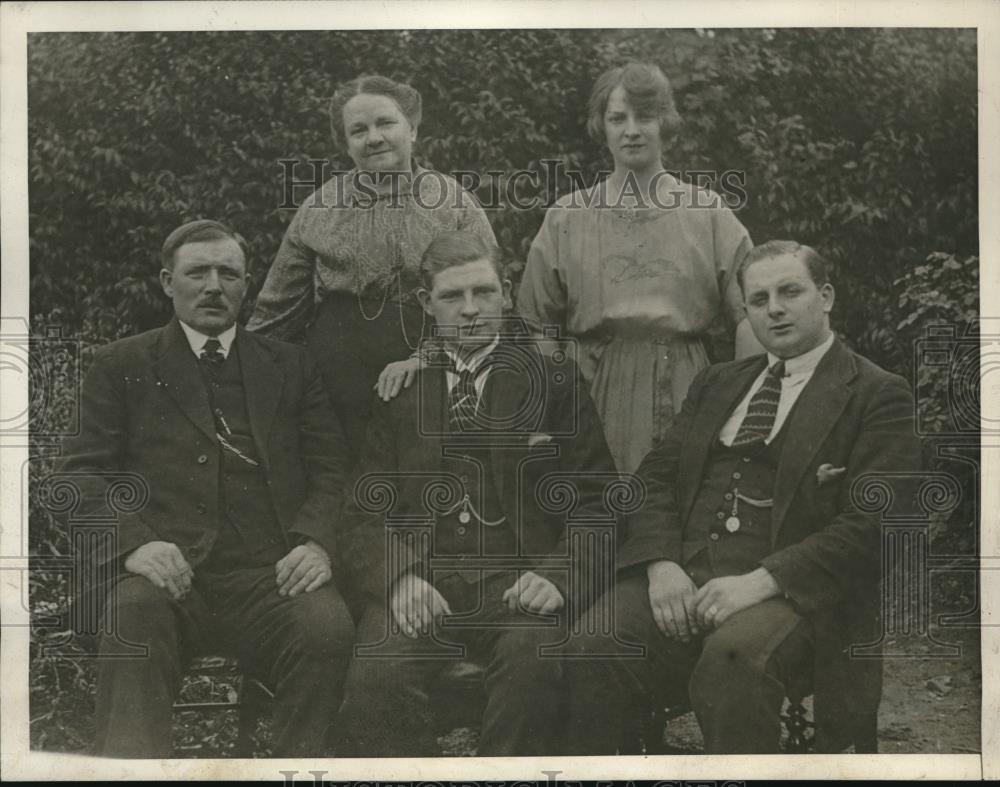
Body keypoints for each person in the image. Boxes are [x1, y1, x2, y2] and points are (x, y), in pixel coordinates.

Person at [560, 240, 922, 753]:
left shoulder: (875, 393)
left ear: (826, 297)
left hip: (793, 594)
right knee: (592, 645)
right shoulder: (717, 383)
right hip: (685, 574)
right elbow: (652, 480)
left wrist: (762, 581)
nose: (773, 308)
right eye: (758, 300)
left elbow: (875, 523)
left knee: (734, 661)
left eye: (789, 292)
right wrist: (661, 564)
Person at [59, 220, 355, 757]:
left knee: (326, 629)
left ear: (247, 284)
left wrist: (316, 542)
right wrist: (135, 544)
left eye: (229, 273)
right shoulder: (121, 364)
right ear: (168, 282)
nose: (213, 286)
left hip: (271, 576)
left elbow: (332, 469)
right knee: (133, 622)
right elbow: (79, 475)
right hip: (168, 575)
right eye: (198, 272)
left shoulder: (291, 365)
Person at [336, 231, 620, 757]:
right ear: (426, 304)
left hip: (518, 585)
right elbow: (361, 508)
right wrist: (397, 579)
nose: (470, 310)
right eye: (452, 297)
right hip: (423, 582)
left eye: (484, 292)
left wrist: (558, 576)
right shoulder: (401, 390)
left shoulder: (553, 378)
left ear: (506, 293)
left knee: (535, 670)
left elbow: (597, 499)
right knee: (376, 678)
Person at [517, 61, 764, 474]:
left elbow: (750, 315)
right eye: (618, 118)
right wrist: (554, 413)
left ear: (665, 122)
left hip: (689, 387)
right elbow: (541, 326)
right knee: (603, 516)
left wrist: (739, 406)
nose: (631, 130)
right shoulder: (568, 217)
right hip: (594, 388)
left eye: (644, 117)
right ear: (602, 126)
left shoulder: (707, 212)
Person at [247, 74, 496, 460]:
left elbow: (488, 305)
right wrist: (238, 376)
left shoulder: (455, 204)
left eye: (385, 123)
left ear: (412, 129)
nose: (374, 138)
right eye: (358, 130)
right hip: (335, 381)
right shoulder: (319, 209)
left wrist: (426, 358)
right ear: (345, 144)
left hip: (433, 373)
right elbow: (277, 312)